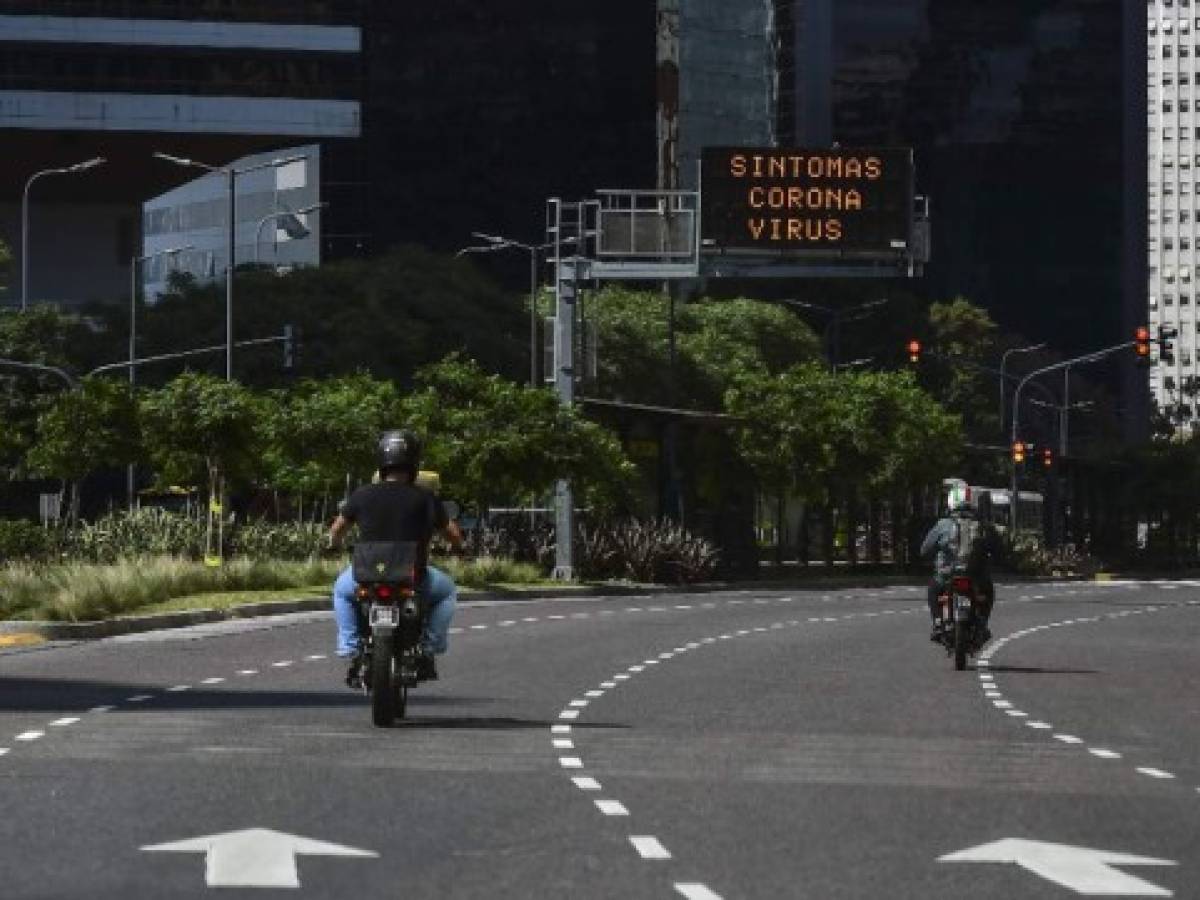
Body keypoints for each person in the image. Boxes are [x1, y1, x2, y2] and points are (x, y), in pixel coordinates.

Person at [327, 429, 464, 685]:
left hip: (366, 575)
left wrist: (334, 545)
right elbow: (453, 534)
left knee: (341, 591)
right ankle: (429, 648)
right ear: (413, 463)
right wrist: (458, 548)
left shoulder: (362, 494)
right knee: (447, 591)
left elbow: (336, 530)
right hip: (413, 577)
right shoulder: (426, 498)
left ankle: (351, 649)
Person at [919, 482, 1000, 643]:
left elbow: (924, 549)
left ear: (950, 503)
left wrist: (932, 558)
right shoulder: (983, 526)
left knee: (933, 590)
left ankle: (937, 623)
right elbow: (998, 549)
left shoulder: (942, 525)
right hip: (977, 576)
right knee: (989, 591)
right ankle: (982, 623)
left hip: (947, 574)